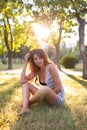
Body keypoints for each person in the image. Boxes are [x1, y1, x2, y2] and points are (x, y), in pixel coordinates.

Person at [19, 48, 65, 115]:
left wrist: (43, 94)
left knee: (45, 89)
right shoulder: (37, 70)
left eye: (40, 58)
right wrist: (26, 62)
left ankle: (27, 102)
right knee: (26, 84)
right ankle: (25, 108)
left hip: (57, 97)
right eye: (35, 59)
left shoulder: (51, 67)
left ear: (44, 57)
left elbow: (59, 88)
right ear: (33, 61)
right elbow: (22, 80)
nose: (38, 61)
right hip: (44, 95)